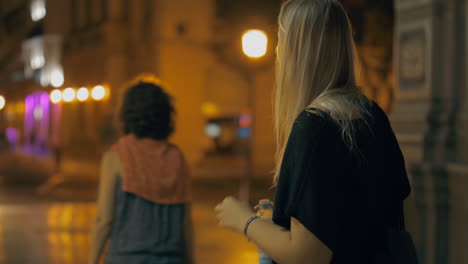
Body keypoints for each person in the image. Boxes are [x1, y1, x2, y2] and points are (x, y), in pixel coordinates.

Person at [215, 0, 412, 263]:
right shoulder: (372, 114)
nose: (277, 51)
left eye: (281, 41)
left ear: (296, 53)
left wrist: (244, 220)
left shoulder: (315, 125)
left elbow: (308, 255)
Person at [89, 76, 194, 264]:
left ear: (126, 114)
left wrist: (92, 260)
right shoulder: (177, 157)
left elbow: (104, 219)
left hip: (126, 258)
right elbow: (185, 222)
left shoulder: (116, 157)